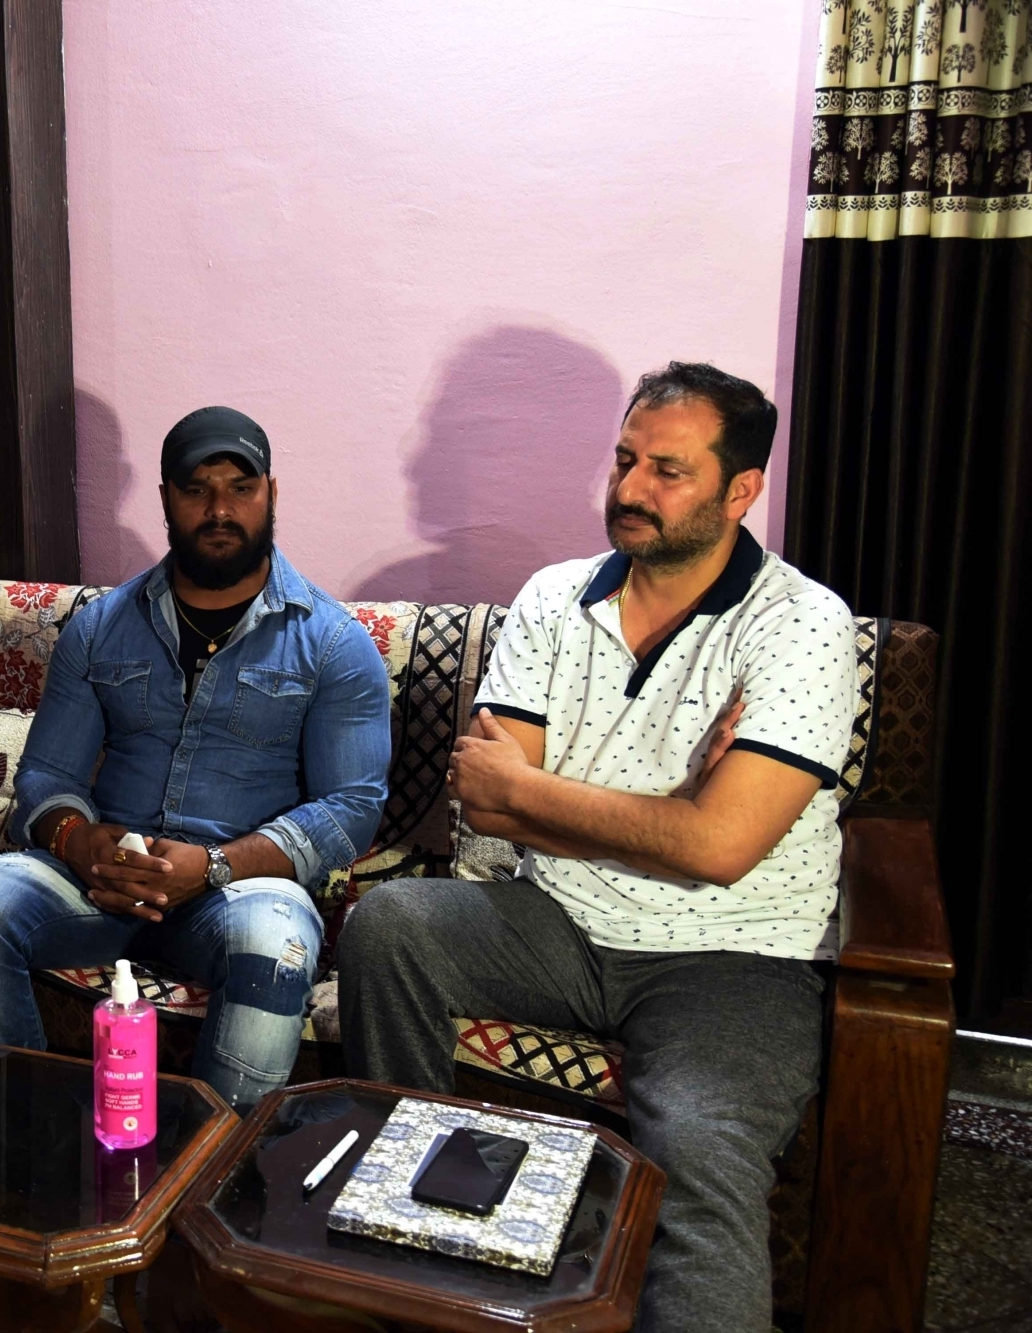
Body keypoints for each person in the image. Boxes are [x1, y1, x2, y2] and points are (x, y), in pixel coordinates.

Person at [337, 364, 856, 1333]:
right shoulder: (553, 597)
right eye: (624, 460)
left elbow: (721, 850)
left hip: (731, 955)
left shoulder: (801, 624)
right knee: (391, 924)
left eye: (668, 470)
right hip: (557, 920)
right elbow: (489, 802)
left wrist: (556, 798)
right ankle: (408, 1238)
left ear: (740, 490)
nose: (629, 487)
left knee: (696, 1147)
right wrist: (676, 809)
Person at [0, 407, 391, 1109]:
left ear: (271, 493)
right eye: (196, 489)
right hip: (103, 884)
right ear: (166, 498)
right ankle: (31, 1144)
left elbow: (352, 808)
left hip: (238, 892)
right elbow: (47, 776)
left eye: (240, 488)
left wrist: (212, 866)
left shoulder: (331, 643)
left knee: (277, 945)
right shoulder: (99, 626)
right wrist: (79, 841)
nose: (219, 510)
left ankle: (207, 1165)